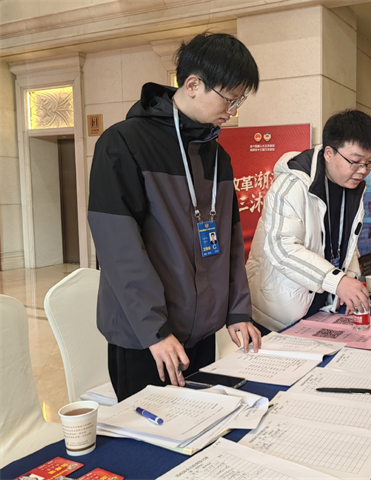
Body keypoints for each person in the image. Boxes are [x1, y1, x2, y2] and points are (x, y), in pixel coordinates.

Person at [88, 33, 262, 401]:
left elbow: (228, 243)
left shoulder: (218, 157)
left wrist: (237, 312)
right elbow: (119, 249)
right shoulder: (123, 144)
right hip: (146, 337)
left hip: (200, 332)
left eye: (239, 100)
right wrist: (155, 329)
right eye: (230, 98)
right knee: (150, 443)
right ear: (193, 84)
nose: (233, 110)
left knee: (199, 430)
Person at [246, 110, 371, 332]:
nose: (363, 171)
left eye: (370, 163)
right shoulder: (292, 186)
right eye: (356, 162)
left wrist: (350, 280)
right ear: (329, 153)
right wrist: (337, 282)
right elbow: (282, 248)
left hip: (322, 308)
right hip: (279, 315)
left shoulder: (352, 188)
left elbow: (348, 245)